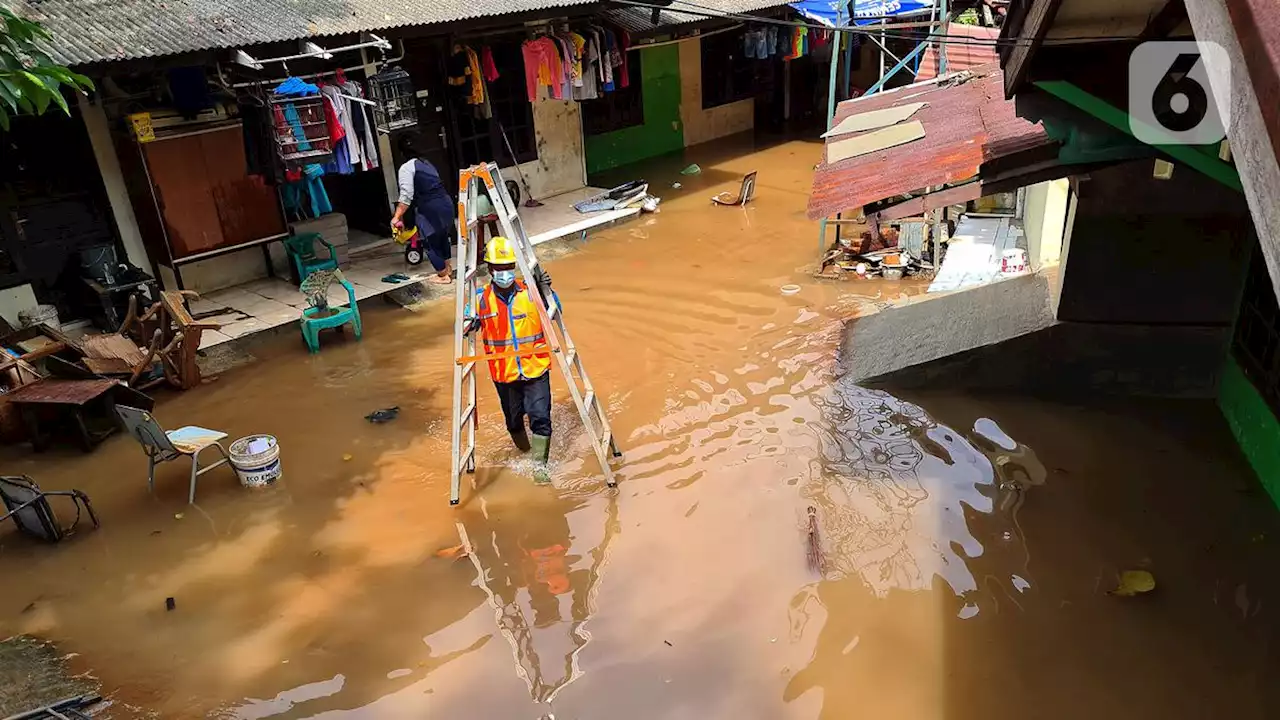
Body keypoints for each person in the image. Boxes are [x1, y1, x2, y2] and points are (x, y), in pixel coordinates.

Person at [472, 236, 558, 475]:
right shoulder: (480, 299)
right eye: (499, 268)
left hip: (535, 368)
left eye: (508, 267)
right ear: (490, 269)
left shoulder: (529, 291)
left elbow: (555, 311)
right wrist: (469, 323)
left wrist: (546, 291)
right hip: (504, 373)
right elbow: (465, 324)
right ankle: (524, 451)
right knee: (513, 421)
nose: (504, 273)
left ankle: (539, 468)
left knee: (540, 416)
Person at [391, 135, 454, 284]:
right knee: (442, 236)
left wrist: (397, 216)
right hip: (446, 202)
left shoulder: (406, 168)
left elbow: (406, 196)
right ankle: (447, 268)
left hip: (430, 207)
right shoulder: (427, 163)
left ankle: (443, 275)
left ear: (401, 153)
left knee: (429, 239)